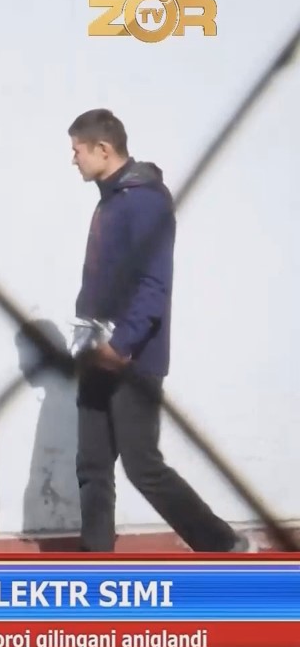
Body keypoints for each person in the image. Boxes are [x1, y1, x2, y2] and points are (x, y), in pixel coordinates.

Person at [67, 108, 255, 554]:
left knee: (143, 466)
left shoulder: (145, 201)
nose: (73, 159)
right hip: (96, 351)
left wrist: (121, 345)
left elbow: (154, 284)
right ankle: (95, 560)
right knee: (92, 464)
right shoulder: (111, 199)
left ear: (103, 149)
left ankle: (222, 544)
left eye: (77, 150)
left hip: (132, 357)